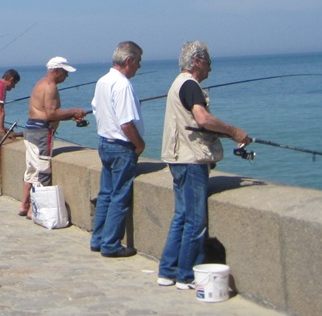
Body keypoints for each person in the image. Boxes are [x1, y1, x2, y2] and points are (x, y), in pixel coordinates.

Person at [158, 41, 250, 290]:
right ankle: (186, 275)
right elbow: (203, 118)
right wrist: (234, 132)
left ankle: (167, 271)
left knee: (181, 216)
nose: (210, 68)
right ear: (197, 61)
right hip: (190, 161)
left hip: (177, 158)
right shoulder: (190, 85)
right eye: (209, 62)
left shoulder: (177, 84)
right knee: (196, 222)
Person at [89, 42, 145, 256]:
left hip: (105, 143)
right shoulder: (122, 85)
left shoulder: (102, 81)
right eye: (138, 61)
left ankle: (98, 239)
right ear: (129, 61)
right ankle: (111, 244)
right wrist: (139, 145)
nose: (139, 66)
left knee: (105, 194)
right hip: (121, 147)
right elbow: (126, 123)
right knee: (119, 196)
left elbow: (96, 108)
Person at [18, 57, 87, 217]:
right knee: (43, 170)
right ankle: (35, 210)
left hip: (31, 130)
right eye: (64, 72)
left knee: (31, 170)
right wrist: (74, 111)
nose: (66, 76)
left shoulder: (41, 83)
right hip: (41, 133)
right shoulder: (50, 87)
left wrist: (70, 115)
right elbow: (51, 114)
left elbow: (46, 111)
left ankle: (24, 205)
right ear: (56, 70)